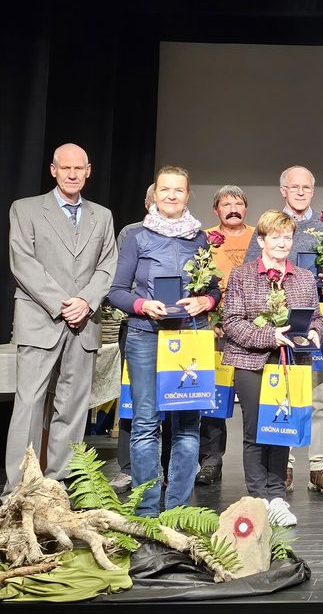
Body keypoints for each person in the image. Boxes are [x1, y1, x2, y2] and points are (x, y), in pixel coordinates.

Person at [4, 143, 117, 496]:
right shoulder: (25, 209)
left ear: (88, 171)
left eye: (78, 168)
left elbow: (107, 266)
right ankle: (19, 489)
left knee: (72, 407)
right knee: (29, 405)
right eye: (64, 168)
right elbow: (23, 262)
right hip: (41, 320)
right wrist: (62, 303)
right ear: (53, 170)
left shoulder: (103, 215)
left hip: (83, 324)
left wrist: (85, 301)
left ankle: (57, 487)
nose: (72, 174)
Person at [108, 166, 220, 517]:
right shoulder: (136, 236)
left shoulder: (199, 238)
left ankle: (178, 508)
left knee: (187, 425)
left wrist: (206, 301)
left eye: (178, 190)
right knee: (145, 423)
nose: (171, 195)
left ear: (188, 196)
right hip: (145, 337)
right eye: (165, 189)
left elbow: (213, 288)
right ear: (154, 194)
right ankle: (146, 508)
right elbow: (116, 292)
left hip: (189, 336)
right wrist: (143, 305)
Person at [221, 209, 323, 527]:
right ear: (262, 240)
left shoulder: (304, 278)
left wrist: (314, 334)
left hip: (290, 364)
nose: (282, 243)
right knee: (254, 433)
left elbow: (316, 318)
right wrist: (271, 335)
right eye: (275, 237)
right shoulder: (243, 275)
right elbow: (233, 323)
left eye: (287, 237)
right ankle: (258, 497)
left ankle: (276, 495)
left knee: (281, 431)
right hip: (251, 363)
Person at [245, 166, 323, 495]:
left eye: (306, 188)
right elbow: (249, 272)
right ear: (283, 190)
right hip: (274, 328)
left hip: (315, 320)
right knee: (282, 395)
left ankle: (319, 467)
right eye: (294, 187)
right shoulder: (269, 224)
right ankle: (283, 466)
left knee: (319, 397)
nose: (300, 192)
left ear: (313, 191)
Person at [195, 185, 255, 486]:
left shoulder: (259, 236)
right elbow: (196, 283)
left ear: (246, 208)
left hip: (252, 328)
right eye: (226, 203)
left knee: (253, 399)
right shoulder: (202, 239)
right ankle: (210, 461)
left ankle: (258, 465)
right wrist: (211, 318)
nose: (233, 208)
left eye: (239, 203)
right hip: (215, 327)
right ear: (216, 209)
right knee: (213, 400)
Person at [110, 182, 156, 495]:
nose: (162, 202)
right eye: (155, 197)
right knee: (134, 400)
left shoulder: (189, 234)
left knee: (173, 400)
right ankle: (128, 469)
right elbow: (119, 283)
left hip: (176, 330)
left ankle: (163, 471)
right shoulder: (131, 233)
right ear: (146, 201)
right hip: (138, 326)